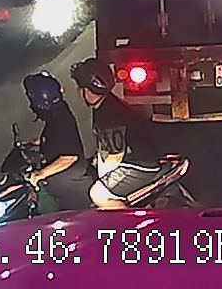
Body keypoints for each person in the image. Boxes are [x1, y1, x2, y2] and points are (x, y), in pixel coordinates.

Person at [70, 58, 166, 209]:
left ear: (87, 91)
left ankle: (127, 222)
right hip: (136, 160)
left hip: (139, 165)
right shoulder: (105, 105)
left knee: (98, 195)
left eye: (79, 87)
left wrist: (103, 182)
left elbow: (114, 156)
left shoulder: (109, 117)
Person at [20, 71, 91, 211]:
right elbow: (56, 138)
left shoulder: (61, 121)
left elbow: (69, 157)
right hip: (61, 186)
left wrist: (41, 174)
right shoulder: (57, 110)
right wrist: (35, 143)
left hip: (71, 192)